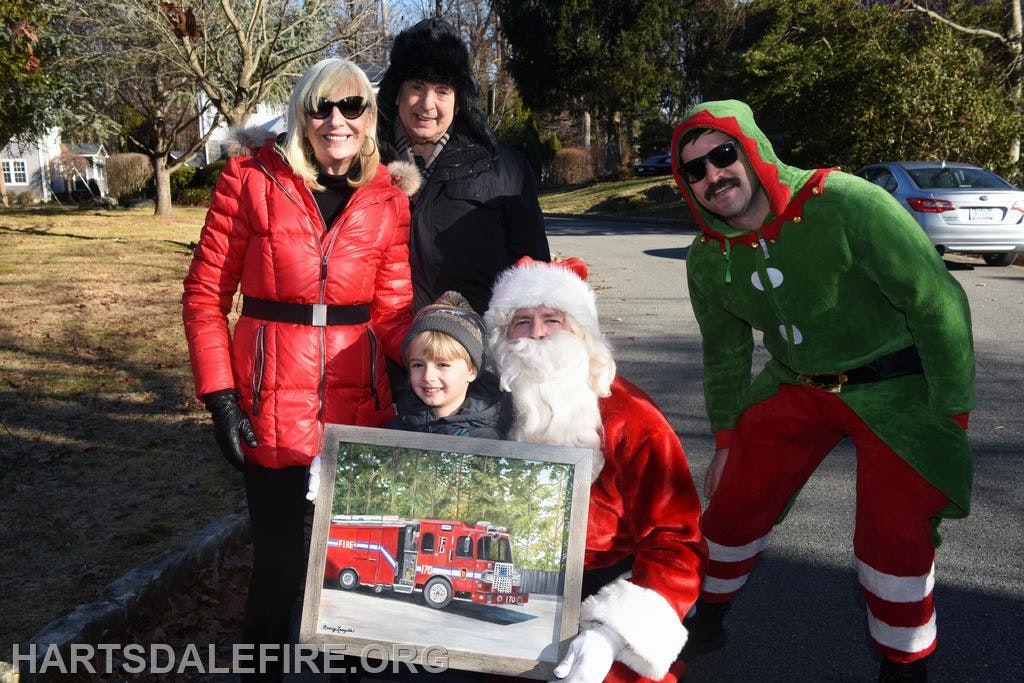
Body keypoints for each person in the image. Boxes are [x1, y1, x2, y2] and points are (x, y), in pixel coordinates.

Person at [670, 100, 975, 681]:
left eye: (722, 155)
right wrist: (728, 439)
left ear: (753, 150)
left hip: (896, 383)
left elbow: (938, 304)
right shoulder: (707, 258)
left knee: (892, 533)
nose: (713, 176)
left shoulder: (848, 203)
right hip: (797, 383)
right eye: (695, 171)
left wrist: (950, 414)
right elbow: (726, 352)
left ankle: (903, 663)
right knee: (733, 499)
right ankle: (707, 619)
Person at [181, 58, 417, 681]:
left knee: (354, 573)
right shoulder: (249, 180)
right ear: (301, 116)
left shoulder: (389, 200)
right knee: (279, 571)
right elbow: (206, 296)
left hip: (356, 410)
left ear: (371, 119)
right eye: (321, 107)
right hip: (267, 410)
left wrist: (436, 353)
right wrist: (221, 397)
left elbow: (392, 313)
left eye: (352, 107)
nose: (335, 120)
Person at [484, 257, 707, 683]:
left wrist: (611, 633)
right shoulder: (482, 407)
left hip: (606, 591)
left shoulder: (631, 417)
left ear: (583, 334)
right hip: (503, 588)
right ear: (500, 337)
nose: (537, 333)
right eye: (521, 321)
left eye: (553, 319)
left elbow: (677, 542)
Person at [376, 17, 551, 315]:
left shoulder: (505, 168)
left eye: (442, 90)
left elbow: (535, 278)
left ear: (459, 101)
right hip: (380, 352)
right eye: (417, 86)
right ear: (397, 93)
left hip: (475, 352)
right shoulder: (366, 164)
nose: (427, 104)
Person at [388, 290, 511, 439]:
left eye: (442, 365)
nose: (428, 376)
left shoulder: (485, 439)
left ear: (471, 371)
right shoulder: (397, 429)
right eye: (418, 365)